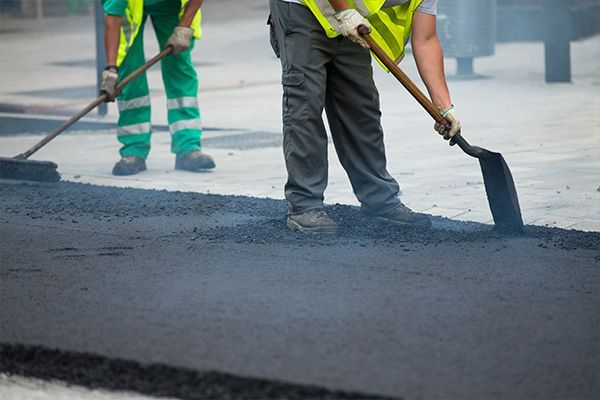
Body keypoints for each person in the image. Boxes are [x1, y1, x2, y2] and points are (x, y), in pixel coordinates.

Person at [268, 0, 460, 234]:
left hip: (350, 13)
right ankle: (305, 205)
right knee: (306, 105)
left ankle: (380, 201)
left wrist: (443, 107)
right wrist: (344, 12)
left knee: (361, 105)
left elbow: (426, 39)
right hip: (302, 9)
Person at [101, 0, 215, 176]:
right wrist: (111, 70)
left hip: (172, 5)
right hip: (132, 7)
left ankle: (188, 147)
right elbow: (113, 15)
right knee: (130, 71)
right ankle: (134, 150)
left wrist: (184, 27)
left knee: (180, 67)